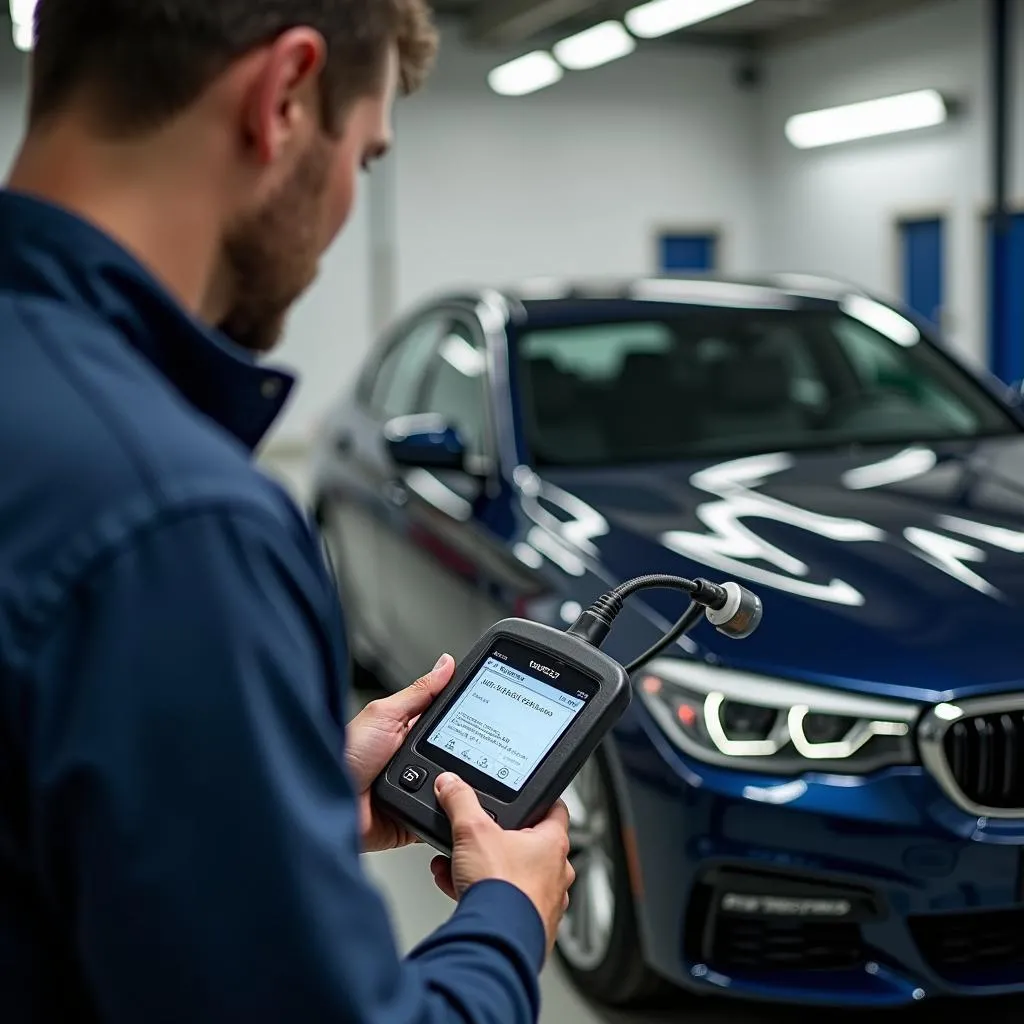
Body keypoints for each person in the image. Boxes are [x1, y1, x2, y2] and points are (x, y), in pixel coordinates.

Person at [0, 2, 575, 1022]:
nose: (349, 199)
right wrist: (506, 914)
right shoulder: (175, 524)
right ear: (285, 98)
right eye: (365, 157)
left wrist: (282, 793)